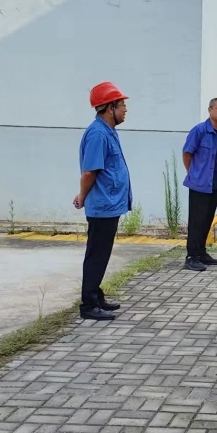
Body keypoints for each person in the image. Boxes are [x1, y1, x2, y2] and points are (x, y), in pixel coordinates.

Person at [73, 82, 132, 321]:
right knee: (96, 255)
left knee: (102, 254)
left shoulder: (108, 131)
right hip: (102, 206)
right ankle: (88, 305)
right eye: (122, 105)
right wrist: (82, 196)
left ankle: (96, 296)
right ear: (110, 107)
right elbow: (90, 171)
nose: (126, 109)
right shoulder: (98, 134)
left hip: (109, 204)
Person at [181, 98, 217, 272]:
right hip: (199, 184)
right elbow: (187, 153)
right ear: (210, 110)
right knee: (197, 221)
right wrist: (194, 173)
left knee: (207, 220)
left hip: (215, 184)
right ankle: (191, 257)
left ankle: (201, 253)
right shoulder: (199, 130)